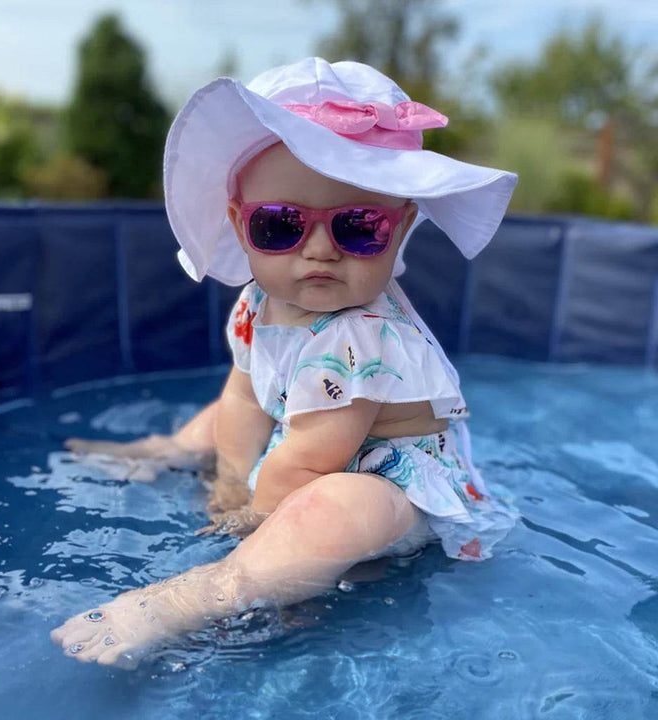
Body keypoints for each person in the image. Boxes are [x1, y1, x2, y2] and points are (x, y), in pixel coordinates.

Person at [52, 57, 519, 669]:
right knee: (223, 413)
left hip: (392, 486)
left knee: (332, 508)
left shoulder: (362, 333)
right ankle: (170, 449)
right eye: (280, 226)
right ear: (239, 223)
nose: (319, 251)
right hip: (301, 442)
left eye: (358, 228)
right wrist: (228, 477)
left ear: (402, 227)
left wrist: (255, 522)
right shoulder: (258, 301)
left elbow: (310, 461)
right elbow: (246, 397)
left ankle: (214, 589)